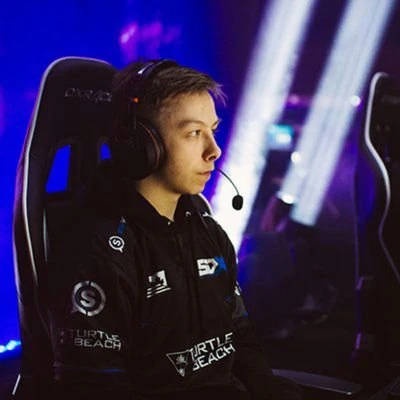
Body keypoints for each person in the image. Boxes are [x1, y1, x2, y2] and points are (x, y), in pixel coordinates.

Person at [47, 59, 303, 400]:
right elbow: (96, 388)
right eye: (194, 133)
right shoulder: (101, 253)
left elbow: (239, 337)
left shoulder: (206, 231)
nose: (214, 151)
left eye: (213, 130)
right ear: (142, 143)